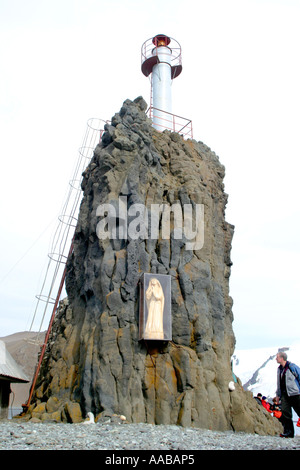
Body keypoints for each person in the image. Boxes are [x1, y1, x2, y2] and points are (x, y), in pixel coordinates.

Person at [275, 351, 300, 438]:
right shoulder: (279, 369)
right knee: (286, 413)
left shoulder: (292, 367)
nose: (276, 359)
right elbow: (279, 383)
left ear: (282, 358)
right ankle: (289, 432)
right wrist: (278, 395)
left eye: (277, 357)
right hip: (284, 395)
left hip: (295, 394)